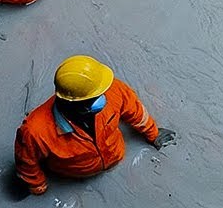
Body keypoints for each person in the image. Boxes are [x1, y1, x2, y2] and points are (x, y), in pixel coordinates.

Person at [14, 55, 172, 196]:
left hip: (116, 154)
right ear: (74, 104)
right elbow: (27, 162)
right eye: (97, 97)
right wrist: (37, 185)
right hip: (74, 176)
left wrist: (154, 134)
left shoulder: (112, 89)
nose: (105, 96)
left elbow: (137, 113)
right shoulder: (35, 131)